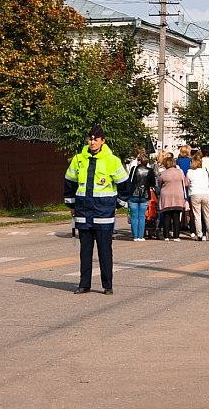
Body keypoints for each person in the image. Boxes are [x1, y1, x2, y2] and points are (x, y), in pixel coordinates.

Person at [64, 125, 130, 295]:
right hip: (83, 212)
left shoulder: (112, 160)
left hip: (103, 214)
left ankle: (107, 285)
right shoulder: (78, 159)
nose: (92, 142)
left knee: (104, 251)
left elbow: (124, 185)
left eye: (96, 139)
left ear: (103, 141)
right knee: (85, 251)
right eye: (90, 139)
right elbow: (69, 182)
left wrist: (117, 205)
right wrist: (71, 205)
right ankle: (84, 284)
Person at [157, 155, 188, 241]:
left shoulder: (163, 173)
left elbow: (159, 184)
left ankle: (166, 235)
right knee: (176, 217)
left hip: (166, 196)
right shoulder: (180, 172)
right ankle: (176, 236)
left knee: (166, 216)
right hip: (178, 195)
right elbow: (184, 182)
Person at [127, 154, 157, 241]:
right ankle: (141, 236)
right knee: (142, 216)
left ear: (139, 161)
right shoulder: (150, 171)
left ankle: (135, 236)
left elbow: (130, 181)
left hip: (133, 194)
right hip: (145, 194)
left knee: (134, 216)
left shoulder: (133, 170)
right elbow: (152, 184)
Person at [186, 156, 209, 241]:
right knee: (206, 214)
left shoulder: (189, 173)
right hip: (205, 193)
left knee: (197, 215)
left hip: (195, 193)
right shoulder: (205, 172)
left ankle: (199, 234)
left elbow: (187, 184)